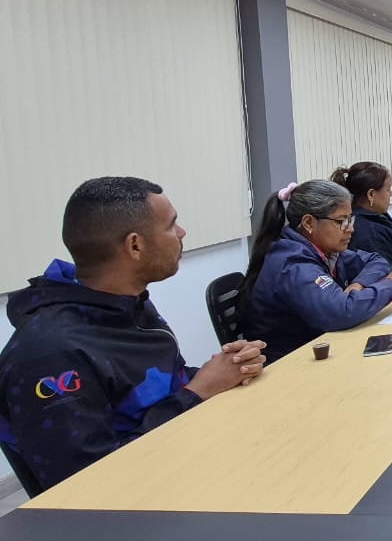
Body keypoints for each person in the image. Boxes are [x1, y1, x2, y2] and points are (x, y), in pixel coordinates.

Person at [0, 177, 267, 490]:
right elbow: (86, 482)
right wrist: (198, 391)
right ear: (135, 245)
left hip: (185, 460)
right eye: (172, 225)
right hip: (140, 500)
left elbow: (158, 387)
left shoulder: (127, 304)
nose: (182, 233)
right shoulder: (50, 353)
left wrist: (223, 371)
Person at [245, 179, 392, 363]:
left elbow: (376, 260)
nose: (350, 228)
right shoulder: (293, 264)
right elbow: (341, 312)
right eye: (341, 221)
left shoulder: (325, 250)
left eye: (350, 219)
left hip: (319, 348)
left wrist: (358, 284)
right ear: (309, 223)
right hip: (289, 363)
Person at [332, 162, 392, 268]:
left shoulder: (376, 218)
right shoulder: (368, 232)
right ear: (371, 194)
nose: (391, 194)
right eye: (388, 189)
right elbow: (383, 271)